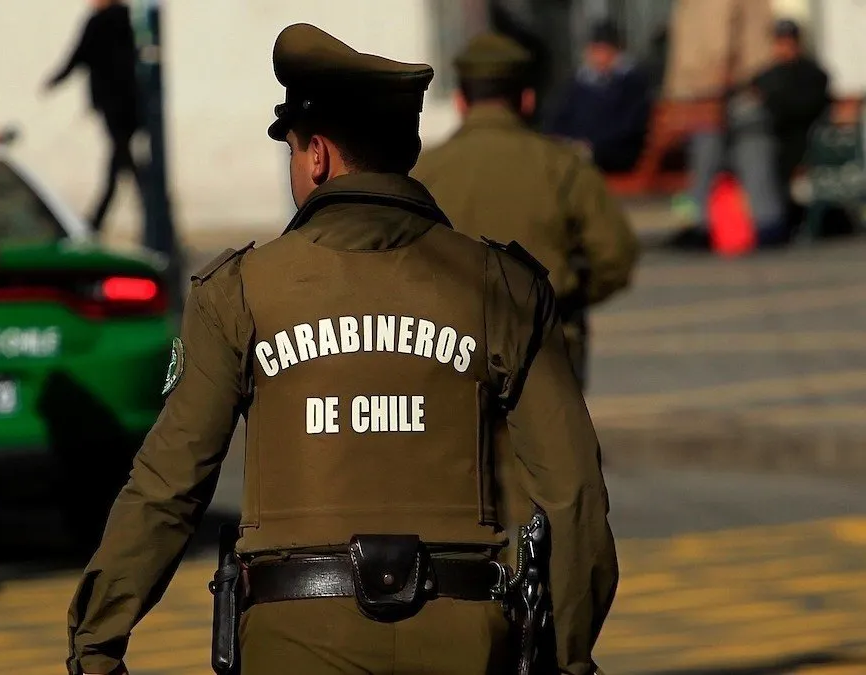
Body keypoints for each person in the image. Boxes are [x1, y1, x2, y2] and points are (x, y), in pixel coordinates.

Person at [66, 23, 618, 675]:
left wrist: (97, 639)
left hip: (294, 637)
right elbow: (574, 494)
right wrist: (569, 657)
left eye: (293, 152)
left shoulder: (239, 292)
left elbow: (168, 487)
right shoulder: (505, 286)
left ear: (318, 157)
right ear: (407, 148)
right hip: (466, 637)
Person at [413, 32, 639, 391]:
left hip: (449, 351)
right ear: (528, 99)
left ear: (460, 100)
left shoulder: (423, 172)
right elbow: (614, 254)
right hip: (546, 348)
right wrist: (568, 299)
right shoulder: (564, 166)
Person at [661, 0, 786, 250]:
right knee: (754, 156)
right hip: (753, 81)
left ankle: (702, 227)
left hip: (716, 89)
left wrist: (715, 76)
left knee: (706, 160)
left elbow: (716, 32)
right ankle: (767, 223)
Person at [43, 0, 144, 234]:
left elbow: (78, 55)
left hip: (112, 104)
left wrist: (55, 80)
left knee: (121, 158)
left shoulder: (98, 22)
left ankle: (99, 219)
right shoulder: (126, 19)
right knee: (121, 158)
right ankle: (103, 217)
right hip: (129, 105)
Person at [752, 19, 832, 231]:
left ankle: (784, 219)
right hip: (773, 137)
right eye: (780, 42)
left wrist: (774, 102)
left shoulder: (812, 74)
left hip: (802, 139)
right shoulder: (766, 75)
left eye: (788, 42)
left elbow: (806, 108)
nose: (784, 47)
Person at [546, 20, 652, 174]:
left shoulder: (632, 83)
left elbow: (629, 127)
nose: (600, 57)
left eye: (605, 50)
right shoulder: (577, 83)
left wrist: (591, 146)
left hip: (614, 152)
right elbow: (558, 119)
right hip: (576, 150)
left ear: (617, 52)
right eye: (595, 50)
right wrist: (564, 140)